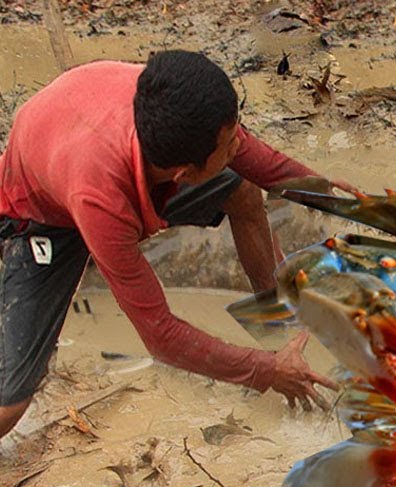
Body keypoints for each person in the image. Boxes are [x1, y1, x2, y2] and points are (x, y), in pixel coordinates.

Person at [0, 50, 354, 440]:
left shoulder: (172, 105)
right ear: (184, 175)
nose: (239, 146)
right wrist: (266, 371)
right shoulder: (101, 200)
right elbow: (160, 336)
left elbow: (247, 153)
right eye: (229, 144)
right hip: (41, 215)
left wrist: (324, 191)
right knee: (10, 404)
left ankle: (276, 323)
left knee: (242, 193)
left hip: (83, 143)